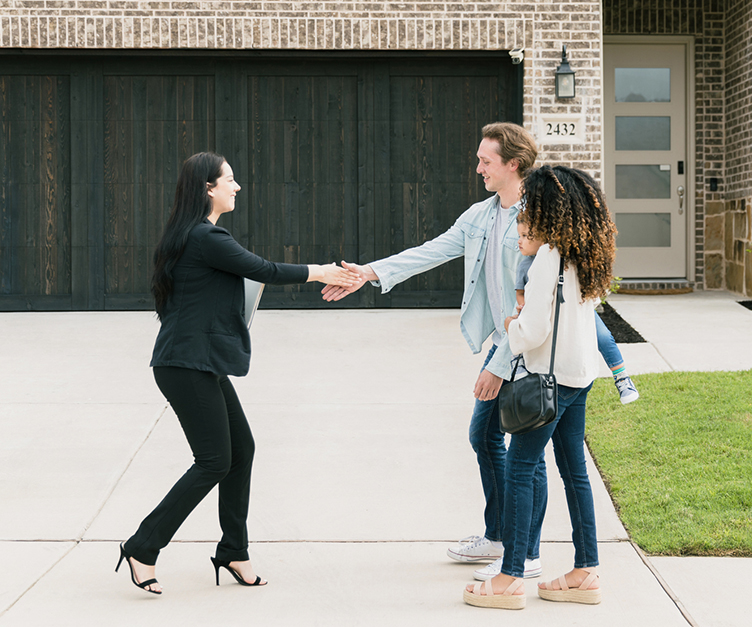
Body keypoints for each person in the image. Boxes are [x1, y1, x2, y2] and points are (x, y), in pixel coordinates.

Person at [116, 151, 360, 595]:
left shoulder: (194, 235)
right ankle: (142, 546)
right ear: (208, 188)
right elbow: (262, 269)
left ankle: (233, 551)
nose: (237, 186)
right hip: (184, 364)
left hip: (197, 361)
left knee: (240, 449)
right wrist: (322, 271)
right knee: (213, 461)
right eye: (229, 179)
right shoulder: (204, 237)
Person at [320, 123, 545, 578]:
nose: (478, 167)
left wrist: (500, 366)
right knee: (485, 437)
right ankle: (500, 537)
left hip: (532, 347)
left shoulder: (536, 218)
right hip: (504, 341)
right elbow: (431, 251)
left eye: (486, 160)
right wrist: (369, 272)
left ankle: (526, 552)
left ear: (513, 165)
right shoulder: (481, 215)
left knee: (524, 451)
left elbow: (537, 304)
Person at [463, 165, 614, 610]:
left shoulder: (549, 256)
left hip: (548, 382)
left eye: (533, 201)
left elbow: (531, 331)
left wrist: (511, 324)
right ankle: (586, 571)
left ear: (549, 206)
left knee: (519, 468)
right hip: (579, 377)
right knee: (574, 473)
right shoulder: (585, 251)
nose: (526, 207)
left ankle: (510, 578)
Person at [514, 241, 639, 405]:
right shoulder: (528, 264)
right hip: (548, 327)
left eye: (527, 235)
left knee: (603, 336)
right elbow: (521, 294)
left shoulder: (562, 253)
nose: (520, 240)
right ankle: (519, 365)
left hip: (577, 313)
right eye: (521, 235)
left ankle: (622, 377)